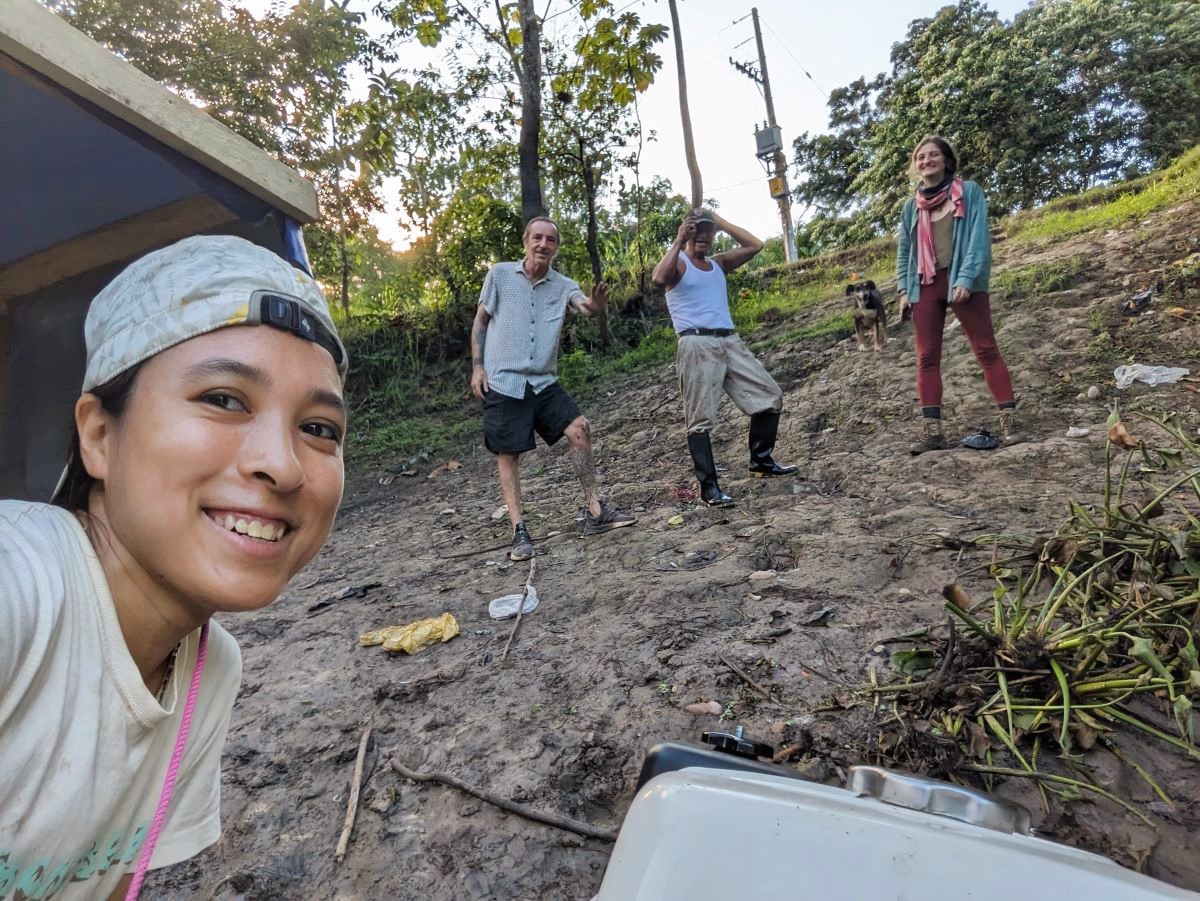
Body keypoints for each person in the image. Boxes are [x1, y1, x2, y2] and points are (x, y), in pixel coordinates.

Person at [0, 236, 348, 900]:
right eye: (223, 398)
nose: (283, 463)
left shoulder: (208, 671)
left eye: (320, 428)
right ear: (100, 435)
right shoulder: (20, 586)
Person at [469, 216, 636, 561]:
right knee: (509, 453)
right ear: (526, 240)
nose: (544, 245)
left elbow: (585, 307)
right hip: (503, 379)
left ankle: (595, 511)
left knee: (580, 428)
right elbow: (480, 322)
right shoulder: (499, 275)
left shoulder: (563, 284)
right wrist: (477, 367)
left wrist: (597, 305)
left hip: (543, 381)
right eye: (538, 238)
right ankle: (519, 530)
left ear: (556, 248)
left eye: (551, 240)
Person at [651, 210, 796, 507]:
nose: (704, 236)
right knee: (700, 419)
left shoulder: (717, 264)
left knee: (770, 397)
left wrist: (721, 222)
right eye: (698, 230)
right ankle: (710, 489)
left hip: (729, 340)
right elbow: (658, 278)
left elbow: (755, 245)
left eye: (709, 231)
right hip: (696, 342)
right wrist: (679, 239)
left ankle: (761, 460)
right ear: (688, 232)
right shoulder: (679, 263)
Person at [897, 135, 1026, 454]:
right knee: (926, 357)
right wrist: (903, 288)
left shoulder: (968, 192)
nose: (926, 160)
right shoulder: (910, 206)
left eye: (932, 155)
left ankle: (1009, 424)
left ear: (946, 160)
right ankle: (932, 433)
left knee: (985, 349)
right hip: (924, 283)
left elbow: (978, 239)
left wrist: (967, 278)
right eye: (920, 157)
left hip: (963, 281)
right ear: (915, 166)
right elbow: (904, 250)